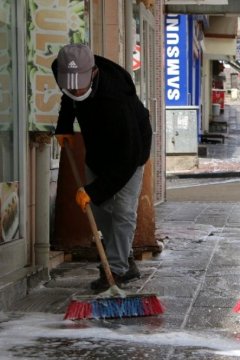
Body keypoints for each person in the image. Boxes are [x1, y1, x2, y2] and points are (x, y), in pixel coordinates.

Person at [52, 44, 152, 291]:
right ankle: (123, 257)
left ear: (94, 72)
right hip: (97, 148)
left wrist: (94, 189)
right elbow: (68, 98)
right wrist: (64, 125)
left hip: (131, 150)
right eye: (70, 82)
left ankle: (116, 271)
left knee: (123, 210)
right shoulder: (61, 70)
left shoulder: (117, 99)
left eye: (80, 82)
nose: (75, 88)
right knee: (97, 208)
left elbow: (127, 158)